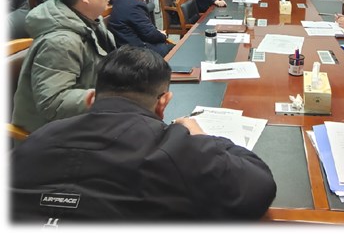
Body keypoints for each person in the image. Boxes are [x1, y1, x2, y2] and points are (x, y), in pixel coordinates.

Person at [11, 45, 277, 222]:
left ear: (91, 98)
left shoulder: (34, 142)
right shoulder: (174, 149)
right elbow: (259, 186)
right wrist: (201, 136)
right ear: (163, 103)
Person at [11, 0, 116, 134]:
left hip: (86, 115)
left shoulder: (91, 21)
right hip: (52, 134)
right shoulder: (60, 42)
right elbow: (53, 103)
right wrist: (108, 97)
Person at [108, 0, 174, 57]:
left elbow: (146, 30)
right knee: (177, 50)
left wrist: (157, 32)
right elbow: (150, 35)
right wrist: (163, 35)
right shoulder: (134, 6)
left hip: (129, 48)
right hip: (138, 54)